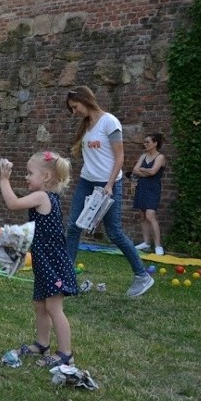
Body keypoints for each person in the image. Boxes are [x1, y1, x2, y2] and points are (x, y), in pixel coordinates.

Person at [64, 86, 151, 298]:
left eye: (75, 107)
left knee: (114, 232)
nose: (75, 112)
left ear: (85, 101)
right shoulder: (87, 125)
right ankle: (66, 278)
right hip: (87, 182)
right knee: (73, 228)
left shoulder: (109, 121)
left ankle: (142, 275)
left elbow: (119, 157)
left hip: (107, 184)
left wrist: (110, 185)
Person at [0, 151, 77, 367]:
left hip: (55, 265)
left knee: (54, 307)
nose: (26, 177)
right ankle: (42, 343)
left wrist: (4, 179)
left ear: (46, 177)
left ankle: (65, 354)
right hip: (45, 263)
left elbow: (13, 203)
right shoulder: (46, 197)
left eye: (29, 173)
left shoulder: (42, 197)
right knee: (40, 305)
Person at [131, 133, 166, 256]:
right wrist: (146, 172)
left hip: (153, 188)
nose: (145, 144)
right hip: (142, 187)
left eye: (147, 142)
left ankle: (158, 245)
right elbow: (135, 170)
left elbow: (153, 172)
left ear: (155, 143)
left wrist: (143, 170)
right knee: (142, 216)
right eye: (144, 142)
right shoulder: (143, 156)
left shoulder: (160, 157)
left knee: (150, 216)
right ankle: (146, 242)